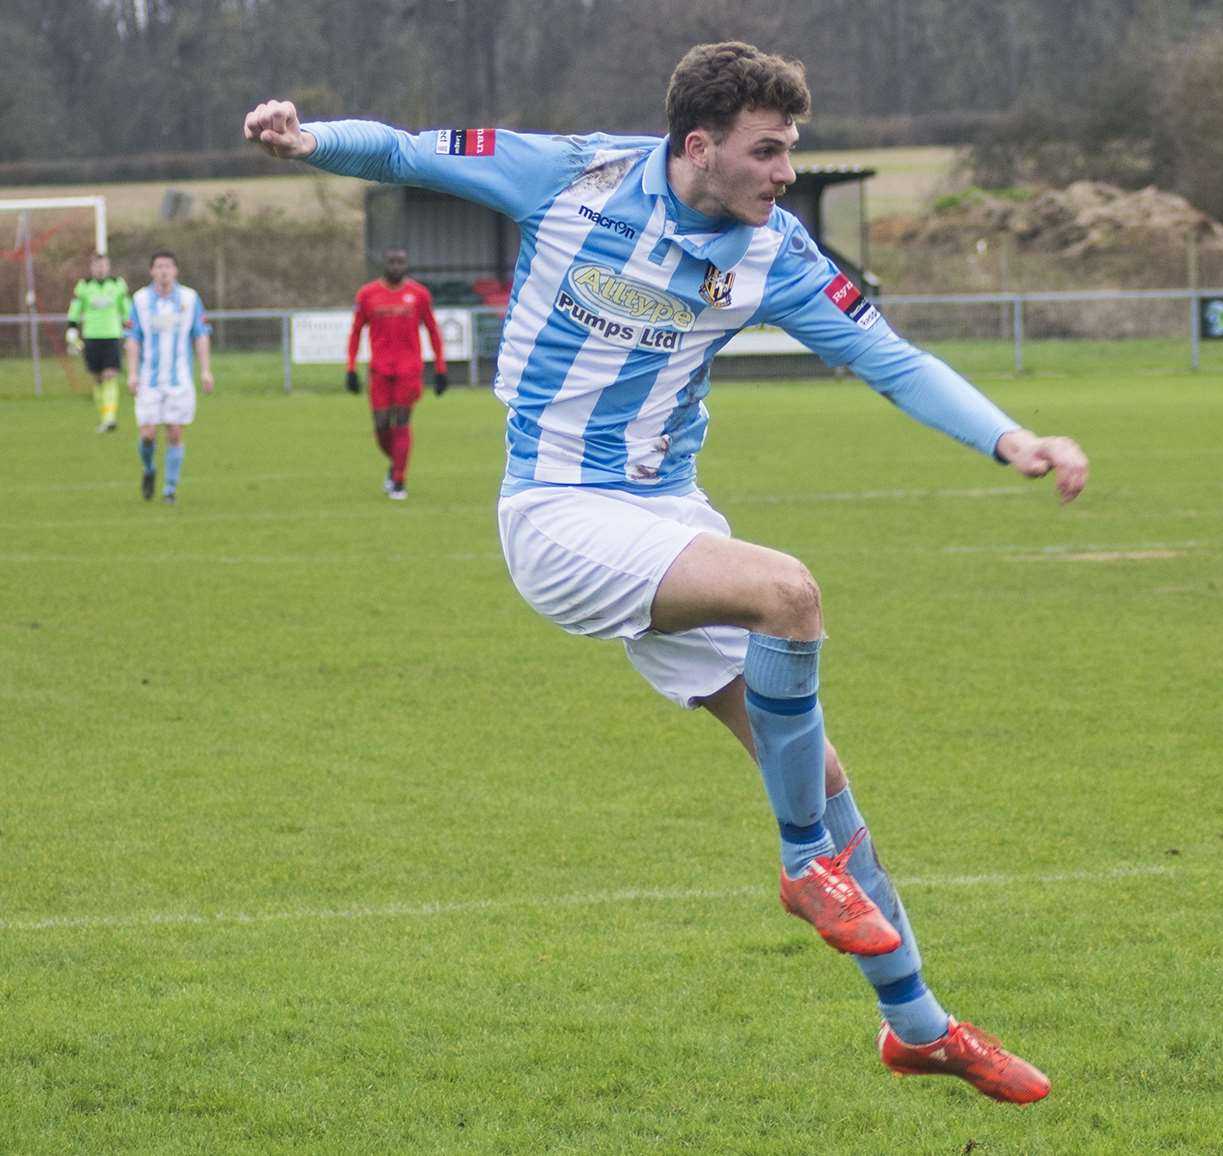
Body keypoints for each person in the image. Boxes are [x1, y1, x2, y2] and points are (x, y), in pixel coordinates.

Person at [245, 41, 1087, 1103]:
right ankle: (798, 870)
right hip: (557, 512)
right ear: (699, 146)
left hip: (667, 515)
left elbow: (892, 359)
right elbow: (411, 153)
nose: (786, 174)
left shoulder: (774, 252)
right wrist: (306, 137)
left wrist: (1012, 440)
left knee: (827, 783)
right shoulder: (573, 175)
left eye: (791, 152)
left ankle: (915, 1024)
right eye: (768, 152)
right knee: (788, 592)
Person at [346, 246, 448, 500]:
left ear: (406, 264)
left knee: (402, 421)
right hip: (379, 370)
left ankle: (399, 480)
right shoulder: (368, 294)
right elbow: (356, 331)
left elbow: (433, 331)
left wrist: (440, 367)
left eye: (400, 262)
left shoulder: (419, 294)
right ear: (384, 264)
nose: (396, 266)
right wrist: (350, 368)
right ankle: (397, 463)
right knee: (381, 425)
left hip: (409, 370)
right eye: (391, 262)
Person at [125, 250, 214, 504]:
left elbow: (201, 334)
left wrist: (206, 370)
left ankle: (169, 489)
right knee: (148, 434)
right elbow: (132, 339)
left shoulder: (189, 298)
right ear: (151, 271)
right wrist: (132, 373)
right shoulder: (141, 300)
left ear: (176, 270)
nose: (164, 271)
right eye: (159, 266)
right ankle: (149, 469)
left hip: (179, 380)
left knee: (174, 433)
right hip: (149, 380)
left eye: (168, 266)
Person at [64, 252, 133, 432]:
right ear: (92, 267)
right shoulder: (84, 286)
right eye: (97, 265)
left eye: (103, 265)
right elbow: (75, 309)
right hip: (91, 336)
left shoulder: (118, 284)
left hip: (111, 335)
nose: (100, 268)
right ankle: (104, 416)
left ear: (108, 266)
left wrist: (129, 331)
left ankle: (110, 418)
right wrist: (72, 329)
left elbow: (126, 310)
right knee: (98, 378)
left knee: (110, 374)